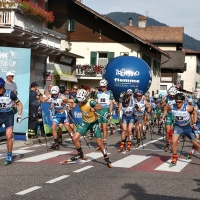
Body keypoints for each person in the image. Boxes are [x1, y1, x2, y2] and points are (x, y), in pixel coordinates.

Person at [63, 89, 112, 167]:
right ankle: (80, 153)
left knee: (99, 142)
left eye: (83, 101)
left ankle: (106, 157)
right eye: (80, 101)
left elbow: (100, 106)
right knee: (74, 138)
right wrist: (64, 101)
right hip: (85, 123)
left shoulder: (91, 101)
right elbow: (68, 100)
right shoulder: (78, 99)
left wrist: (94, 108)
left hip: (94, 123)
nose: (81, 102)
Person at [161, 93, 200, 166]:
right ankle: (174, 157)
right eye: (176, 101)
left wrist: (194, 123)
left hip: (187, 127)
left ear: (183, 101)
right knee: (174, 141)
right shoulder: (172, 107)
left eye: (179, 102)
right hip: (178, 127)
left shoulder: (188, 107)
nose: (178, 103)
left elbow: (194, 112)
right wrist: (162, 118)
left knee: (197, 145)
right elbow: (165, 109)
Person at [0, 77, 23, 165]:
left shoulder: (10, 94)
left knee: (8, 136)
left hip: (8, 116)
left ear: (3, 87)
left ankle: (9, 155)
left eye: (0, 89)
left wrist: (19, 116)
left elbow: (19, 104)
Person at [95, 79, 114, 149]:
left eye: (104, 86)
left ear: (106, 86)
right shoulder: (97, 93)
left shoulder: (110, 93)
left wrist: (110, 112)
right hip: (99, 110)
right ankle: (99, 142)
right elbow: (96, 102)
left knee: (104, 127)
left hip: (105, 110)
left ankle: (104, 142)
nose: (102, 88)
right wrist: (95, 109)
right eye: (101, 86)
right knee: (99, 127)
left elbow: (111, 103)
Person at [161, 86, 177, 152]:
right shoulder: (167, 98)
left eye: (173, 95)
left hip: (176, 116)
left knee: (172, 131)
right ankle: (167, 144)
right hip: (169, 115)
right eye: (171, 95)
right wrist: (162, 103)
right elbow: (162, 106)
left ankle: (172, 142)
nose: (172, 96)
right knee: (167, 131)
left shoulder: (178, 98)